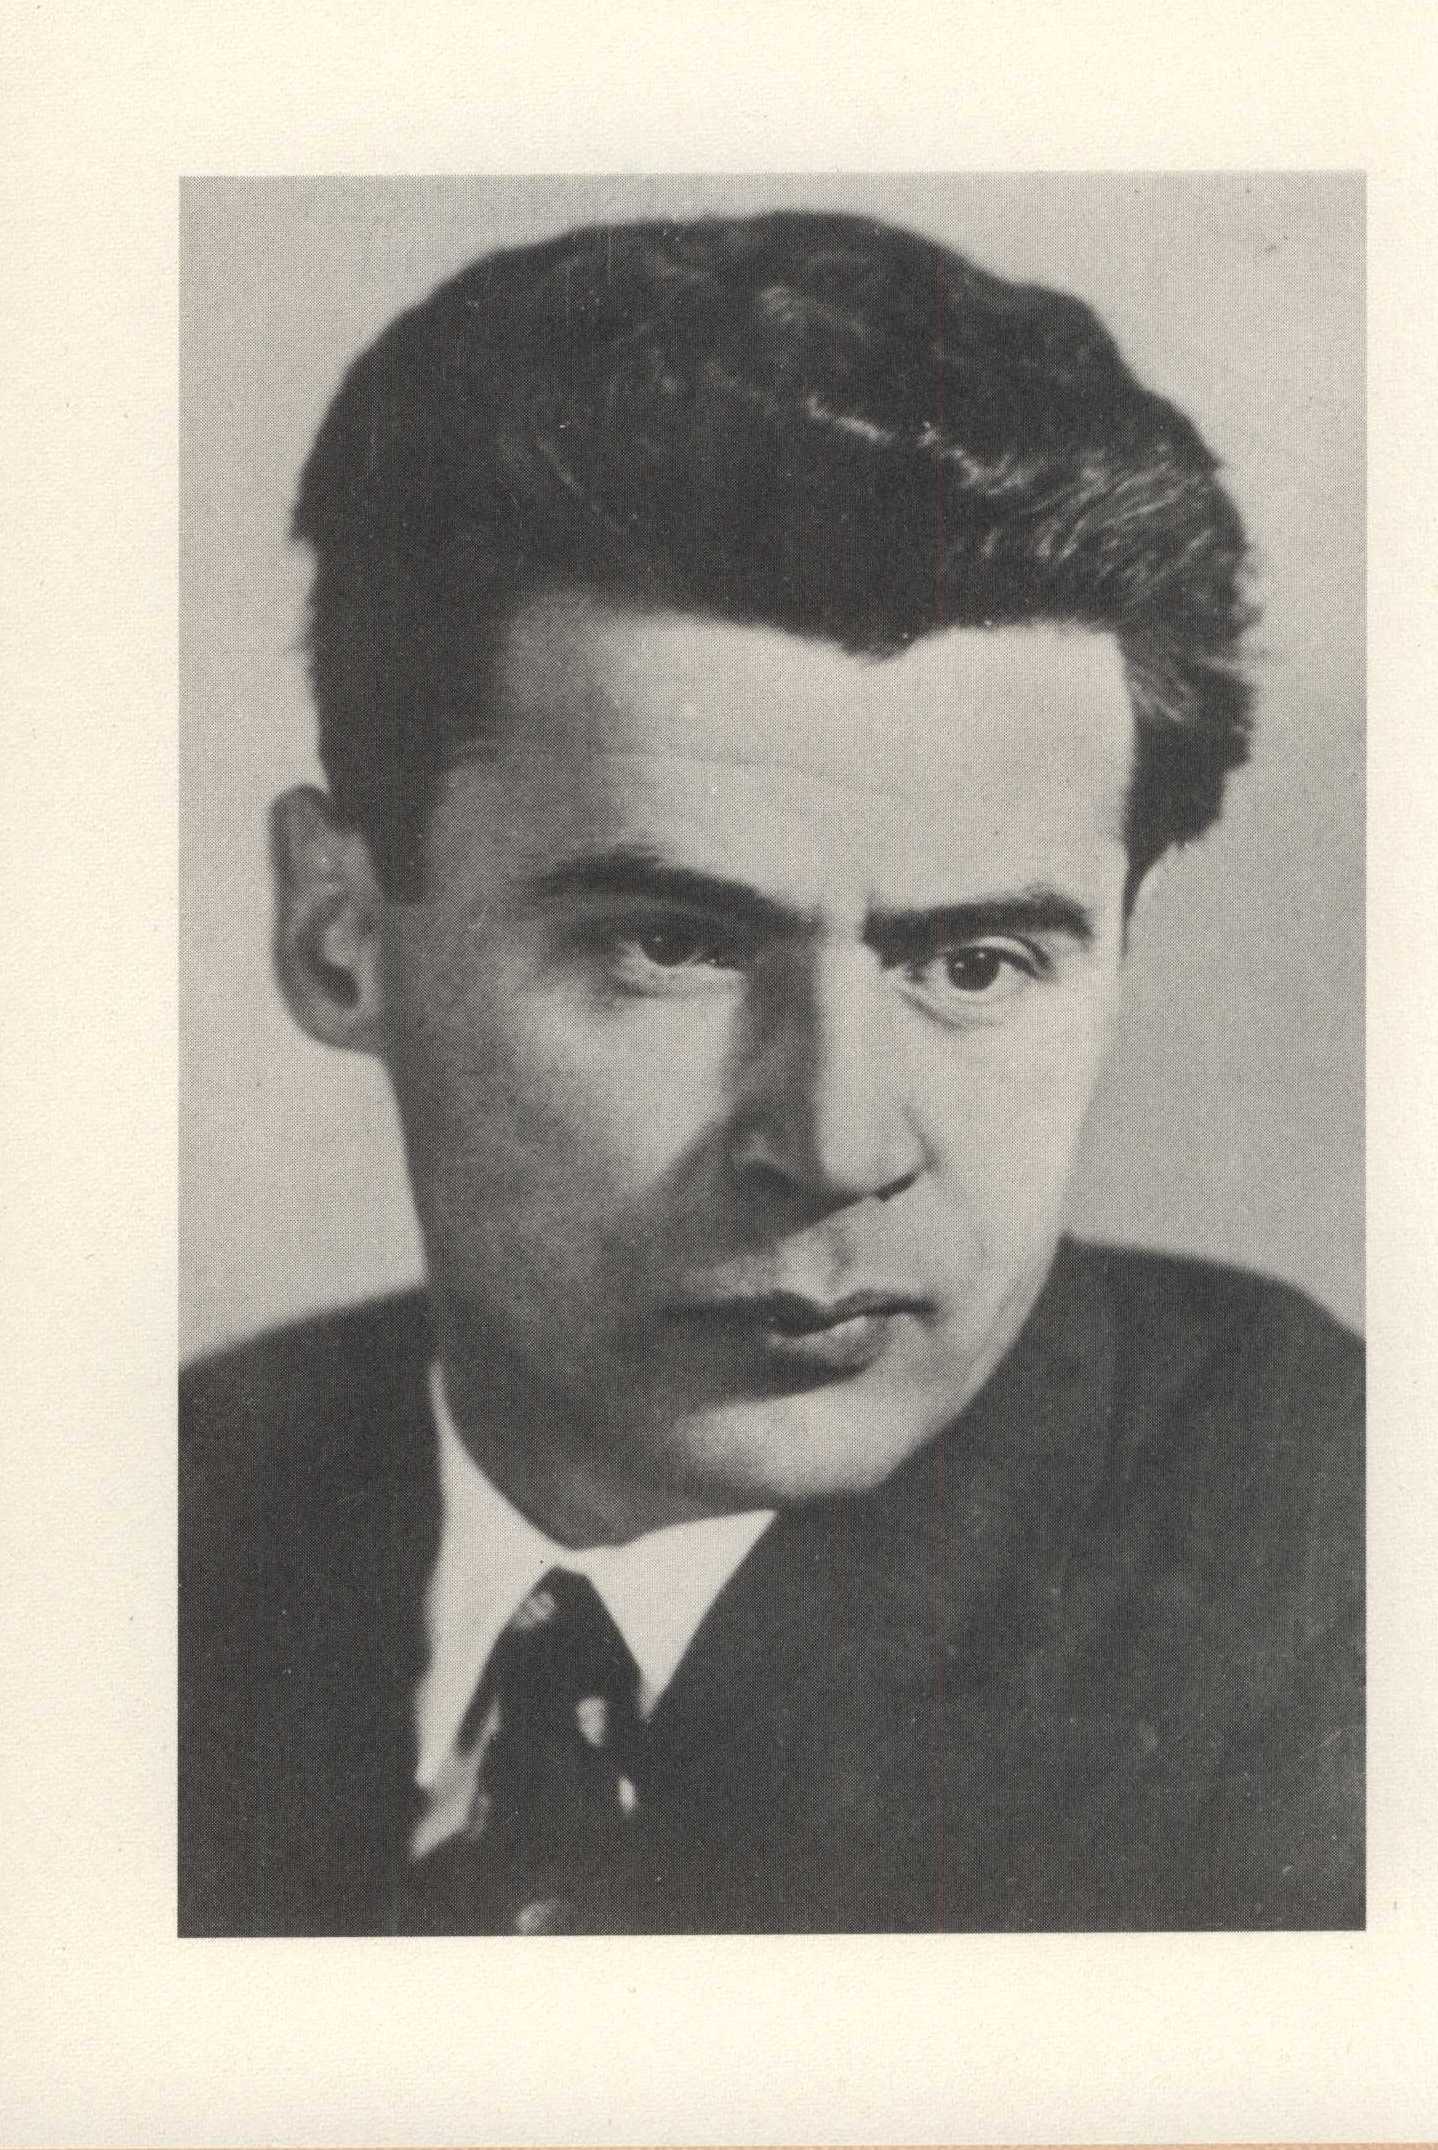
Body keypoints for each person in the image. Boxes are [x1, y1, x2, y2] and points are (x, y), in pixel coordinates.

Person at [179, 209, 1362, 1936]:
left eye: (976, 963)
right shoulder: (152, 1516)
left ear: (1121, 948)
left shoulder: (1335, 1575)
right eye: (672, 944)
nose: (835, 1142)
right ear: (340, 931)